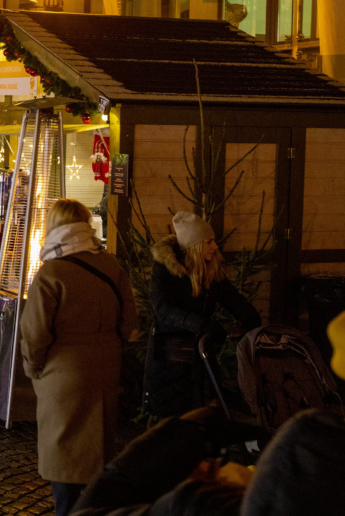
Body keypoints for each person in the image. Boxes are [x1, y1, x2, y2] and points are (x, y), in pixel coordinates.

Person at [18, 199, 137, 516]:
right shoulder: (111, 265)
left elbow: (34, 333)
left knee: (65, 457)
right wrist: (109, 348)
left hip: (64, 371)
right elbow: (129, 320)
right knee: (99, 448)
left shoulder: (52, 272)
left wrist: (34, 368)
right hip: (105, 365)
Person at [144, 211, 261, 419]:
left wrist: (254, 323)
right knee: (177, 411)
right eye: (209, 242)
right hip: (173, 349)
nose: (215, 246)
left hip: (200, 347)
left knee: (204, 408)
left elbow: (232, 299)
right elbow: (163, 308)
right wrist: (201, 325)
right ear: (194, 245)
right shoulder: (164, 269)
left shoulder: (210, 268)